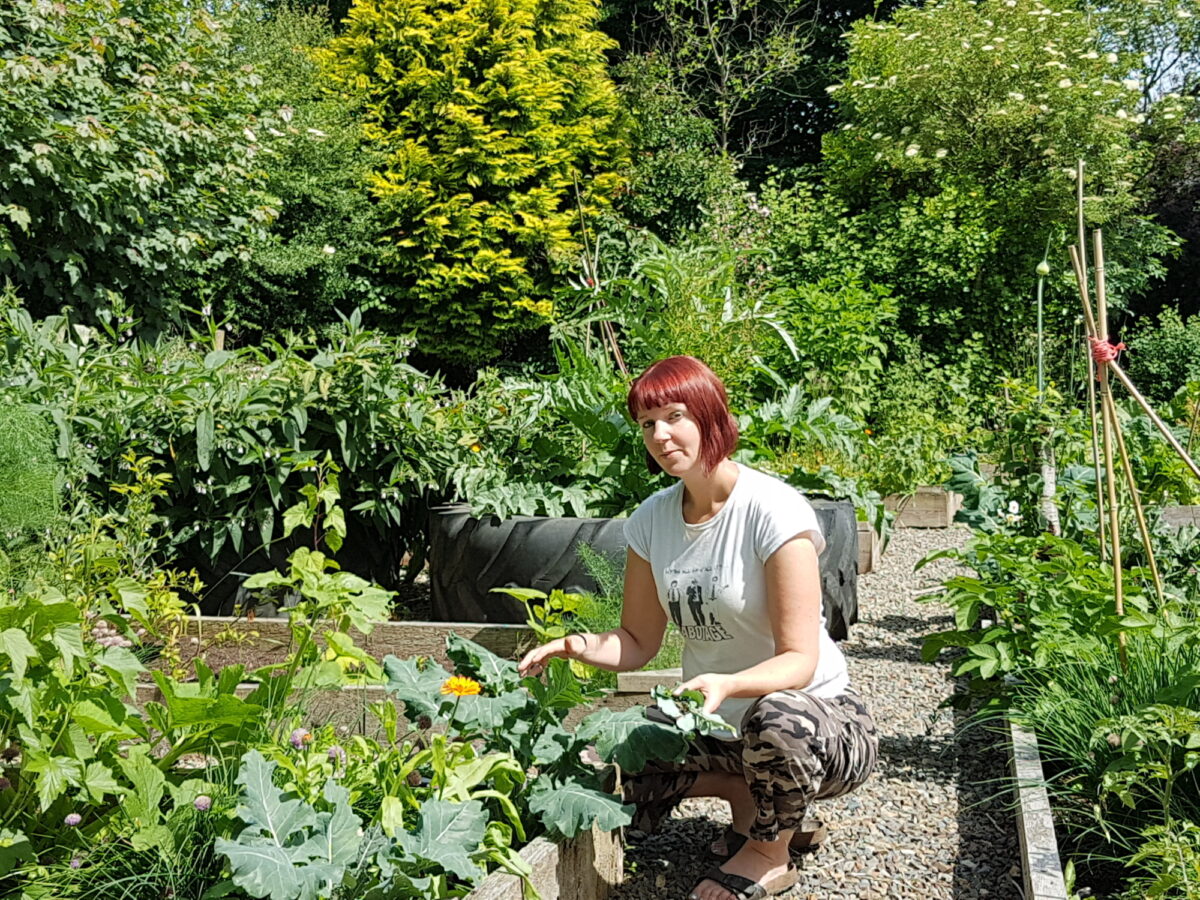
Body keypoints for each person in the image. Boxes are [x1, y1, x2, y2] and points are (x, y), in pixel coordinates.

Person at [518, 356, 877, 900]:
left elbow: (799, 660)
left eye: (675, 416)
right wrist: (576, 645)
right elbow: (638, 641)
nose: (660, 435)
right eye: (647, 423)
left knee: (776, 717)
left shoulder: (772, 510)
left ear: (710, 416)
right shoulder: (651, 520)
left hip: (818, 726)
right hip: (713, 724)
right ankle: (758, 803)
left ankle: (769, 852)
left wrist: (728, 683)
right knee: (609, 760)